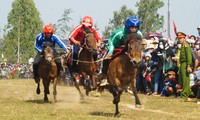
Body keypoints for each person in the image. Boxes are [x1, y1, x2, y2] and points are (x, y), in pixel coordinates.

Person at [176, 32, 194, 101]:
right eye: (179, 38)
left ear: (184, 38)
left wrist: (189, 65)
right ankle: (189, 93)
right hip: (182, 64)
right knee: (181, 79)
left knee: (185, 80)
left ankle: (185, 96)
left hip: (186, 63)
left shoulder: (186, 46)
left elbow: (189, 56)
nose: (179, 39)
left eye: (181, 38)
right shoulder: (182, 46)